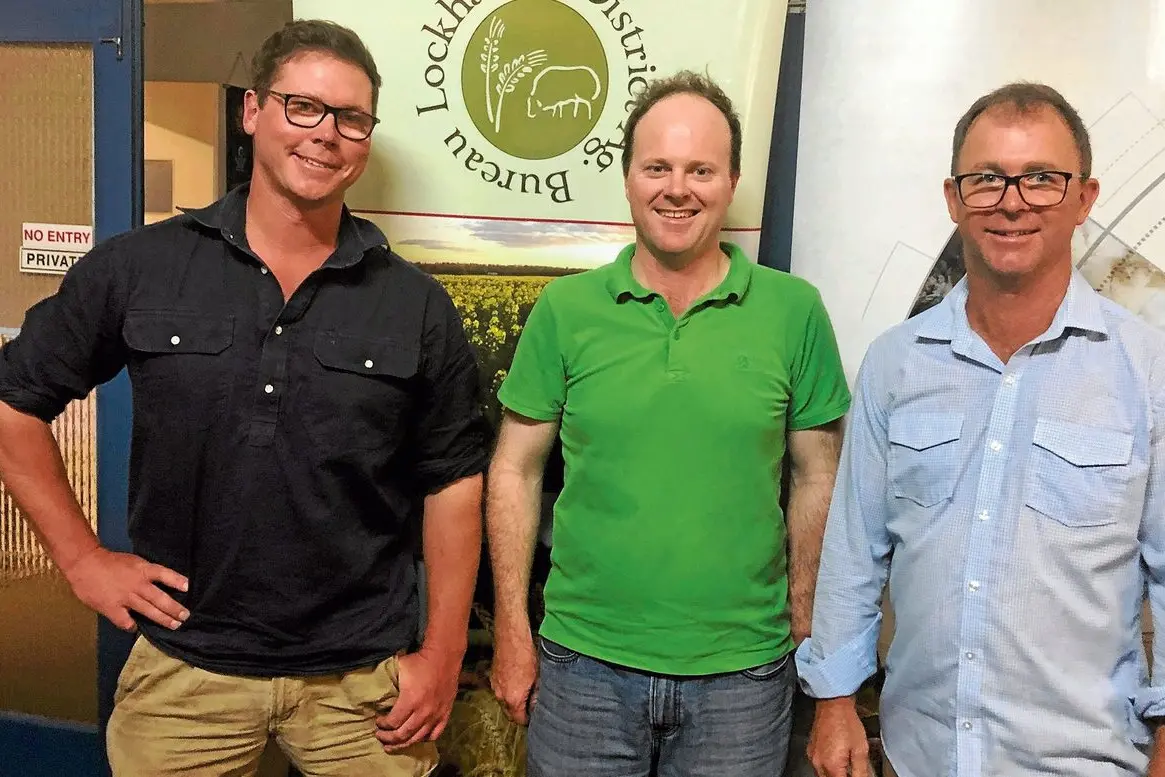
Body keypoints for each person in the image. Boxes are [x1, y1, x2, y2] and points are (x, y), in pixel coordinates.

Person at [0, 19, 486, 777]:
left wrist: (443, 652)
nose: (325, 134)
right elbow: (13, 404)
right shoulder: (141, 267)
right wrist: (82, 558)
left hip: (364, 682)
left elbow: (453, 481)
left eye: (351, 118)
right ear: (252, 110)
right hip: (185, 671)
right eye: (303, 106)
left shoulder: (414, 304)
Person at [486, 70, 850, 777]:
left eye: (700, 170)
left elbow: (819, 474)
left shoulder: (794, 311)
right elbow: (513, 469)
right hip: (582, 668)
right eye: (657, 167)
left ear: (732, 181)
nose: (676, 188)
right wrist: (511, 630)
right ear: (627, 178)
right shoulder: (565, 310)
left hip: (743, 678)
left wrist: (805, 619)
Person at [798, 81, 1165, 777]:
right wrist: (834, 698)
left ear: (1085, 197)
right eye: (987, 178)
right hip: (919, 756)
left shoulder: (1147, 369)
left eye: (1041, 179)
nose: (1011, 201)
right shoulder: (895, 362)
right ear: (953, 197)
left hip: (1087, 760)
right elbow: (853, 551)